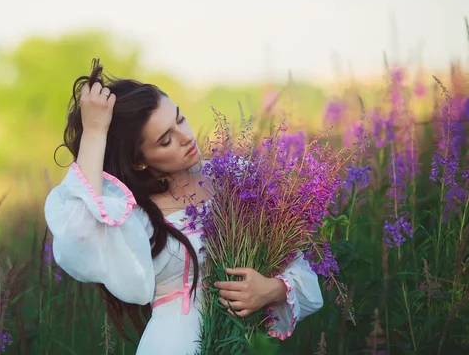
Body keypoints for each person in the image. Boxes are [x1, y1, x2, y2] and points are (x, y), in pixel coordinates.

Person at [44, 60, 324, 354]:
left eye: (180, 119)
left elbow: (301, 272)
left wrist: (270, 290)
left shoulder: (235, 178)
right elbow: (77, 235)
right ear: (140, 160)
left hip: (243, 343)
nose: (186, 137)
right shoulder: (133, 217)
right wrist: (95, 132)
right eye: (166, 140)